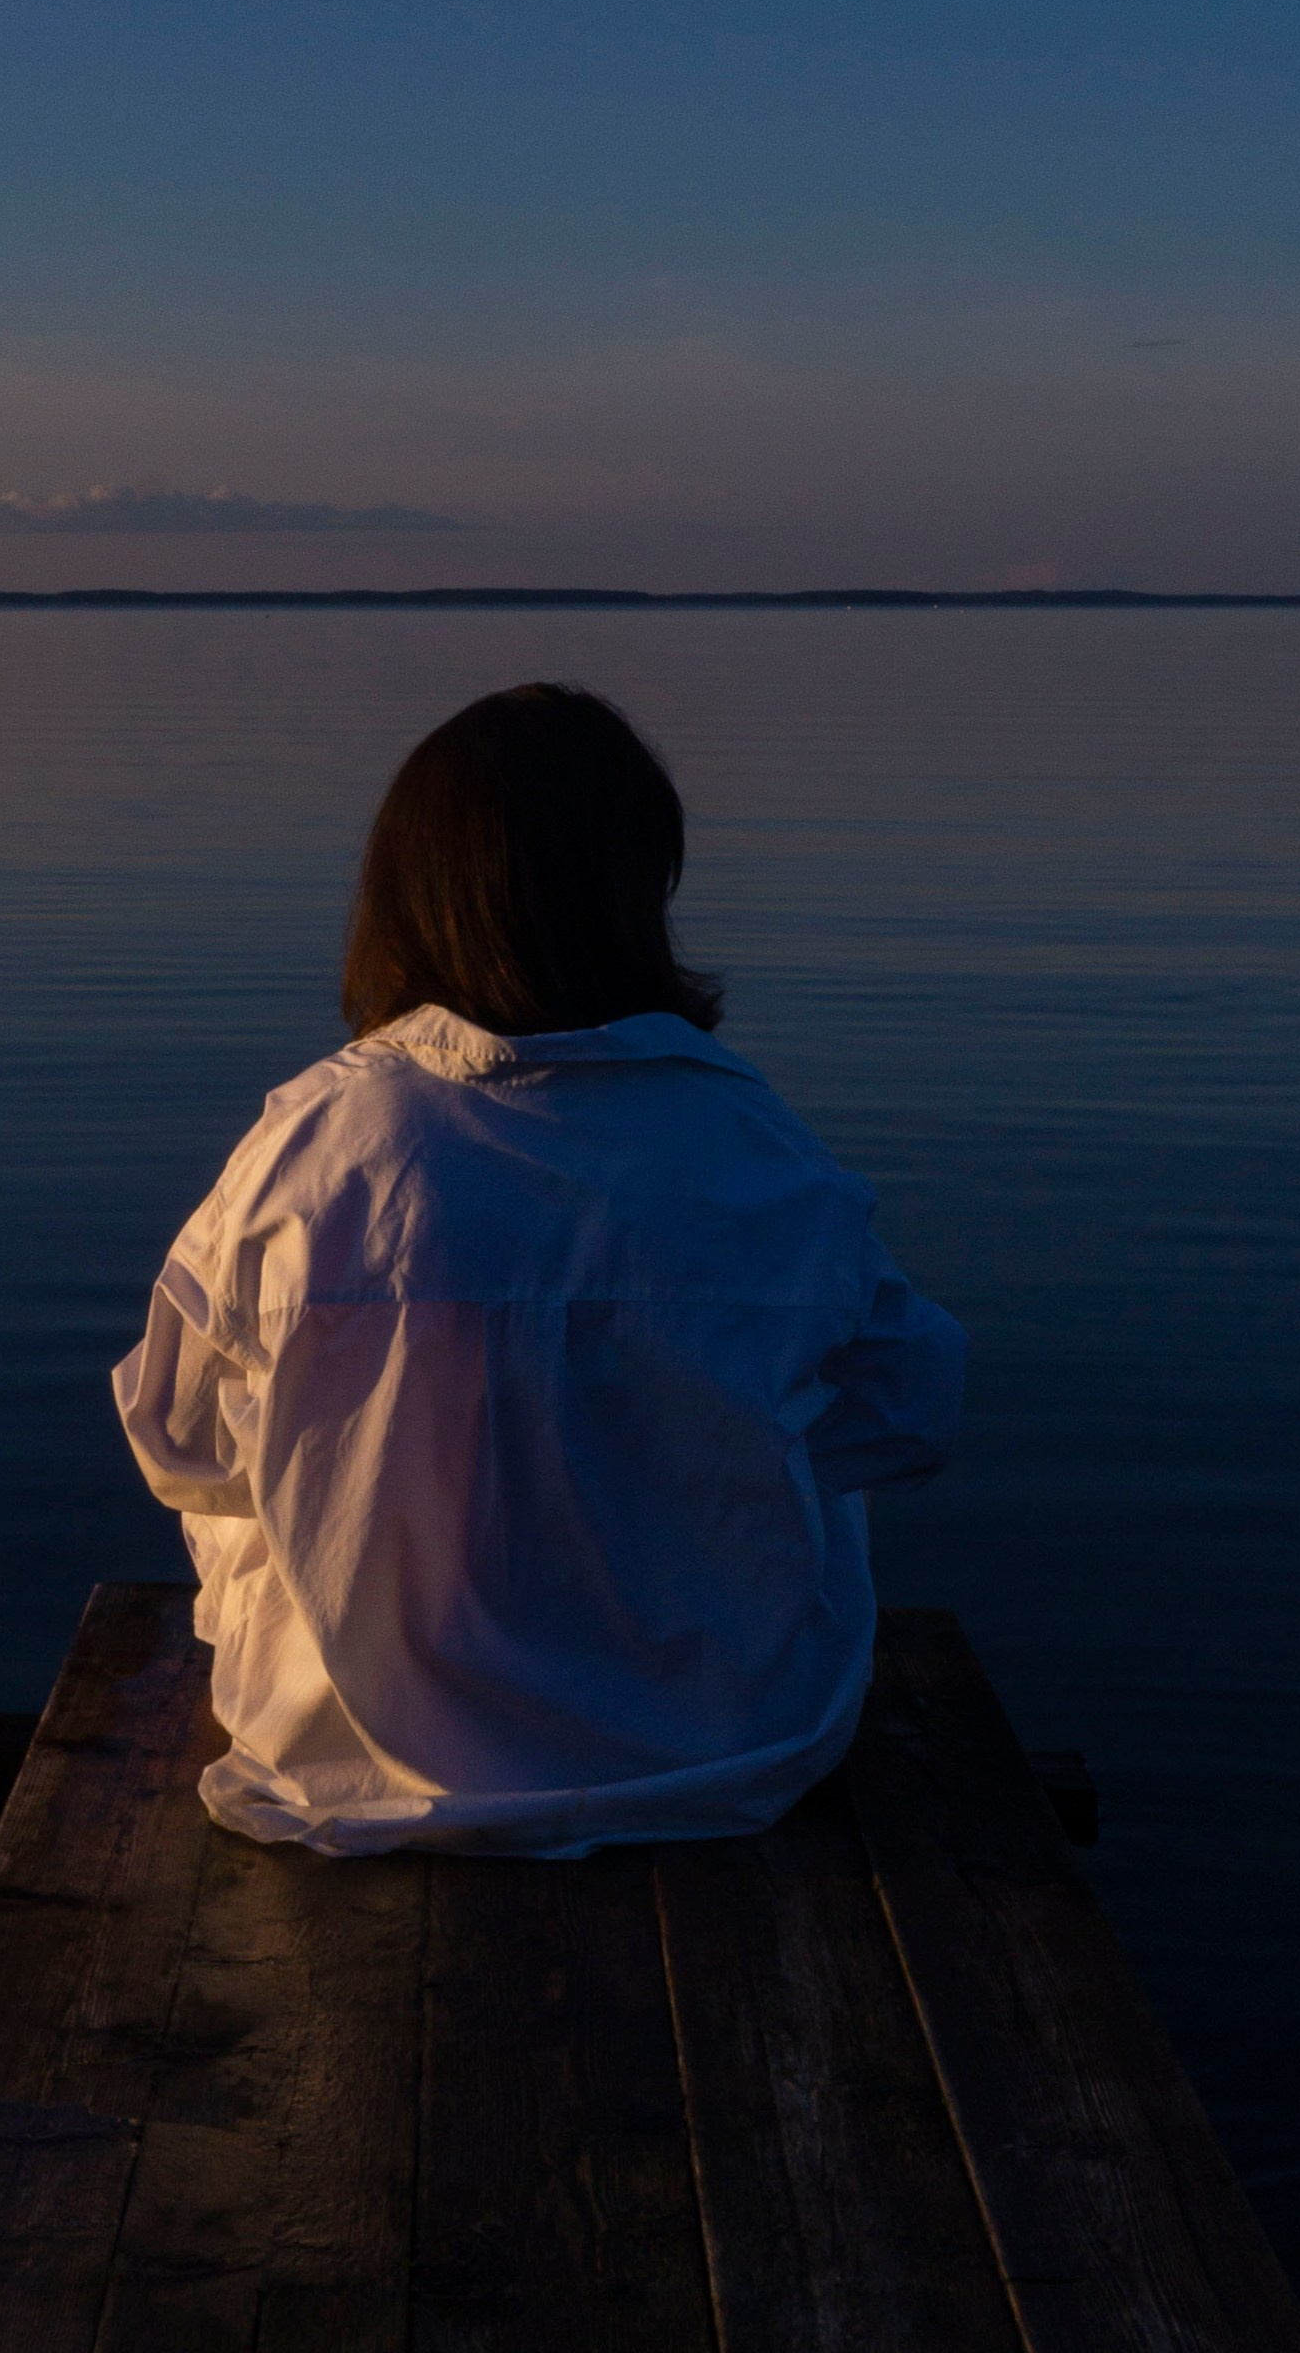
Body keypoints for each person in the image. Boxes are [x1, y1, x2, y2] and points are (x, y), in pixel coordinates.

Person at [112, 682, 963, 1856]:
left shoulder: (315, 1147)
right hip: (718, 1757)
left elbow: (175, 1439)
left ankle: (404, 1681)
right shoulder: (751, 1147)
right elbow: (909, 1408)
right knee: (796, 1452)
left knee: (270, 1465)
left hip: (348, 1768)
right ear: (634, 898)